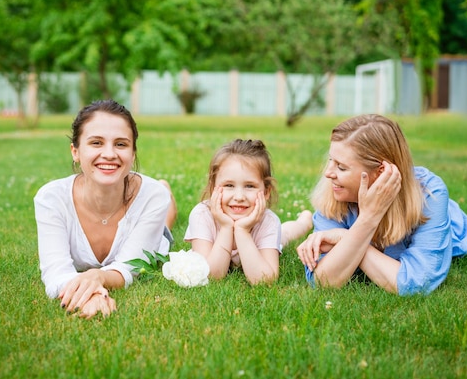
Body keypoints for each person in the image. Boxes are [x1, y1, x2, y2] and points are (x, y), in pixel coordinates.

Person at [296, 114, 467, 295]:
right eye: (331, 160)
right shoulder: (335, 194)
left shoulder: (430, 193)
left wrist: (346, 237)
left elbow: (417, 283)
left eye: (341, 167)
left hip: (450, 224)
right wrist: (366, 225)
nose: (328, 172)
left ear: (380, 173)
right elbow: (324, 282)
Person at [34, 100, 177, 318]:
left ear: (133, 152)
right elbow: (55, 274)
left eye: (120, 144)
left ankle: (166, 188)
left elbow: (129, 267)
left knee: (166, 221)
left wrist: (97, 277)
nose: (109, 154)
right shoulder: (51, 199)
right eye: (96, 143)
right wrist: (94, 294)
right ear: (75, 151)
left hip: (154, 232)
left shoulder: (153, 196)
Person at [185, 139, 313, 285]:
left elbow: (264, 280)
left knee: (285, 234)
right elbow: (211, 275)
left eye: (250, 186)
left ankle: (304, 221)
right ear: (213, 188)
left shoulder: (268, 221)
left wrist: (242, 231)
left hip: (260, 241)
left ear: (266, 192)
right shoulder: (202, 215)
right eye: (229, 185)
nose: (239, 197)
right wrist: (226, 227)